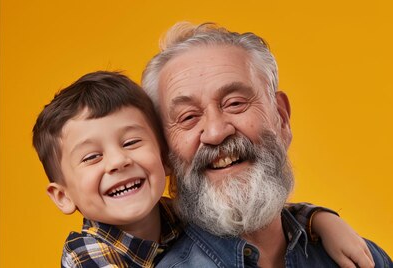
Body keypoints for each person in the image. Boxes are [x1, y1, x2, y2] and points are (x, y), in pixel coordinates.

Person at [32, 71, 375, 267]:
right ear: (62, 196)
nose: (118, 161)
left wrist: (322, 220)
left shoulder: (175, 214)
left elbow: (260, 212)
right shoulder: (86, 255)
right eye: (92, 157)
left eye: (131, 143)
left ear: (165, 157)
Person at [141, 21, 393, 267]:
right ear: (164, 154)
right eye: (188, 117)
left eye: (235, 103)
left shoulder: (364, 259)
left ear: (281, 118)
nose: (216, 132)